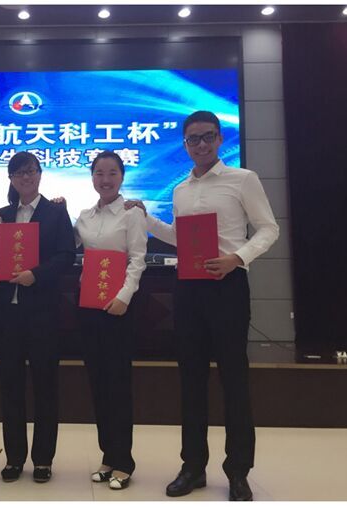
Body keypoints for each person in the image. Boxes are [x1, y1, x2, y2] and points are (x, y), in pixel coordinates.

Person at [130, 111, 279, 501]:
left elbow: (269, 228)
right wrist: (147, 219)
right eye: (193, 139)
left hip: (228, 286)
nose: (200, 144)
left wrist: (237, 258)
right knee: (191, 381)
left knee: (234, 380)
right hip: (189, 289)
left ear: (219, 138)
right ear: (185, 144)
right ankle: (193, 467)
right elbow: (181, 238)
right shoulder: (181, 189)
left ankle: (238, 471)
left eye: (207, 136)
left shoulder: (243, 179)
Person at [0, 151, 76, 483]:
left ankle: (43, 459)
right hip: (7, 314)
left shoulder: (56, 213)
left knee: (45, 386)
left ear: (40, 174)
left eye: (32, 171)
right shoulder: (1, 216)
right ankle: (14, 458)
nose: (26, 177)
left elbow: (66, 256)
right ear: (11, 179)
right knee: (10, 386)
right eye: (19, 173)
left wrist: (35, 275)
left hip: (42, 312)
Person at [74, 150, 147, 490]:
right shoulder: (84, 217)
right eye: (99, 173)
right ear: (92, 177)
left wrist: (124, 297)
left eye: (112, 173)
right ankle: (108, 455)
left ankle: (124, 461)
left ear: (122, 176)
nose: (105, 179)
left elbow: (137, 259)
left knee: (118, 385)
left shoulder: (132, 214)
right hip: (89, 308)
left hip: (118, 309)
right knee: (97, 384)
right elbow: (64, 244)